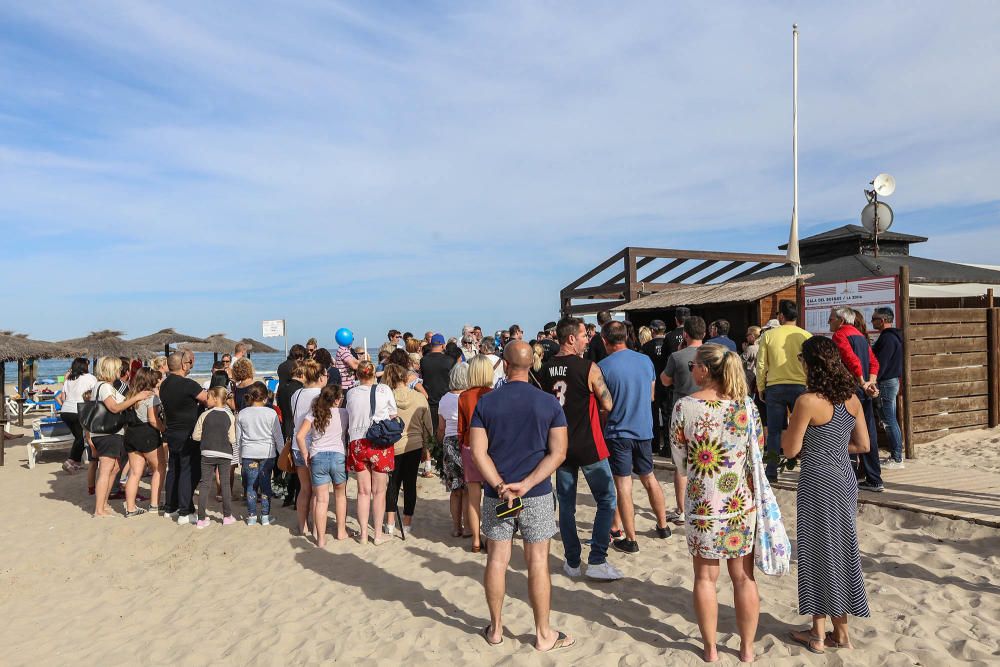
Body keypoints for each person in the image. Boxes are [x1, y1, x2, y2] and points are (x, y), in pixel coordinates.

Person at [468, 341, 573, 652]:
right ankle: (543, 634)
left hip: (498, 495)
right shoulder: (548, 403)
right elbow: (559, 453)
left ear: (504, 362)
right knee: (538, 561)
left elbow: (478, 452)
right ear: (532, 365)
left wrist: (501, 485)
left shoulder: (487, 403)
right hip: (536, 493)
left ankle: (496, 629)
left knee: (497, 560)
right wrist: (526, 484)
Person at [670, 344, 761, 664]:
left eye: (694, 364)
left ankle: (710, 649)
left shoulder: (684, 407)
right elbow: (757, 451)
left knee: (705, 579)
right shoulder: (746, 406)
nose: (690, 369)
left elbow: (680, 463)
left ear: (706, 370)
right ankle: (747, 649)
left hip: (703, 504)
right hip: (740, 502)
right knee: (744, 578)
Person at [781, 336, 872, 654]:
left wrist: (791, 436)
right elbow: (863, 446)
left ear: (808, 364)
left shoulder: (807, 401)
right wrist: (832, 446)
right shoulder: (852, 398)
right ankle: (840, 631)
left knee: (816, 552)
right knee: (841, 550)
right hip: (845, 480)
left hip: (818, 481)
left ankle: (818, 634)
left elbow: (790, 450)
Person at [540, 317, 621, 579]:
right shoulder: (589, 367)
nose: (588, 339)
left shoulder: (546, 369)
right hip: (588, 443)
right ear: (571, 338)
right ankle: (597, 559)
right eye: (585, 335)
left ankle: (572, 561)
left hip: (560, 446)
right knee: (607, 499)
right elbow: (608, 404)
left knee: (566, 505)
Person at [600, 321, 670, 554]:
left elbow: (604, 405)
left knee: (623, 485)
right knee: (649, 477)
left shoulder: (602, 367)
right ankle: (663, 525)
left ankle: (630, 538)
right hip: (643, 428)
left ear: (605, 341)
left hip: (618, 430)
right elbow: (651, 396)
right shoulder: (645, 360)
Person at [755, 300, 812, 482]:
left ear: (781, 316)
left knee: (774, 431)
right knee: (804, 430)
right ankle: (805, 471)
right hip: (800, 387)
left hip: (775, 386)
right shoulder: (806, 335)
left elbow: (761, 364)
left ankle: (771, 471)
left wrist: (761, 387)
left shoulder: (769, 335)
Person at [90, 357, 153, 517]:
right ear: (111, 370)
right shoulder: (104, 387)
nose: (121, 371)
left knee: (115, 468)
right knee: (105, 470)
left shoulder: (107, 387)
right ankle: (99, 509)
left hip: (110, 433)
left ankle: (103, 504)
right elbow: (115, 408)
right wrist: (137, 398)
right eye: (118, 368)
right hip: (107, 433)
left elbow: (122, 402)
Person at [829, 306, 883, 492]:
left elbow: (850, 359)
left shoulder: (840, 335)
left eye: (831, 319)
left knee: (846, 434)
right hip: (864, 391)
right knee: (868, 433)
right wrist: (871, 382)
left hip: (850, 390)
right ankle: (874, 478)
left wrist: (861, 382)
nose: (829, 322)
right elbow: (874, 362)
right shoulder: (859, 335)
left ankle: (848, 479)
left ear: (841, 320)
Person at [346, 360, 398, 545]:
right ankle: (376, 534)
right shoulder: (384, 390)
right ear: (374, 373)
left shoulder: (351, 392)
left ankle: (362, 534)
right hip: (379, 441)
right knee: (379, 491)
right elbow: (393, 415)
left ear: (358, 375)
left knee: (362, 491)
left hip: (357, 442)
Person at [660, 315, 706, 525]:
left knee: (681, 462)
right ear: (704, 333)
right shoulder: (714, 354)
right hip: (709, 409)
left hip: (682, 409)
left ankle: (681, 509)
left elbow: (665, 380)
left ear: (685, 334)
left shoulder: (677, 357)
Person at [383, 363, 432, 537]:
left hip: (393, 445)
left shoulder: (386, 398)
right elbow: (428, 424)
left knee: (393, 484)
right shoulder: (419, 397)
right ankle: (407, 522)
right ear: (405, 378)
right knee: (410, 484)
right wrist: (428, 443)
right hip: (414, 443)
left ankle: (389, 523)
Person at [160, 352, 208, 524]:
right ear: (183, 364)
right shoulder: (188, 384)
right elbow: (208, 400)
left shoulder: (164, 385)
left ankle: (170, 507)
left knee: (174, 469)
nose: (191, 365)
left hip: (172, 431)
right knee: (188, 470)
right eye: (189, 362)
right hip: (187, 433)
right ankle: (185, 511)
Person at [300, 383, 349, 545]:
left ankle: (321, 539)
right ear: (336, 400)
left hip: (318, 456)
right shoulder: (343, 413)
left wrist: (306, 454)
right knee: (340, 496)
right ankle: (341, 531)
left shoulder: (314, 412)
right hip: (338, 456)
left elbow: (300, 436)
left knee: (321, 499)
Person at [458, 355, 494, 553]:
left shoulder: (464, 396)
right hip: (490, 447)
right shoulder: (494, 394)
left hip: (469, 445)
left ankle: (475, 540)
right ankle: (489, 537)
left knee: (473, 497)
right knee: (491, 495)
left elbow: (461, 427)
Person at [237, 382, 282, 526]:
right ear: (265, 398)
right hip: (267, 453)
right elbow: (278, 437)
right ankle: (265, 516)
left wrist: (239, 456)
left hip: (248, 452)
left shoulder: (242, 413)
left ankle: (251, 516)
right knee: (265, 484)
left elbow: (238, 438)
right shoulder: (271, 413)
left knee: (250, 485)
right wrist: (282, 454)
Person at [192, 386, 237, 528]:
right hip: (224, 453)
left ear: (216, 399)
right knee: (225, 484)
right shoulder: (230, 416)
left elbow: (196, 436)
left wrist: (208, 438)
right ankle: (227, 516)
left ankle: (201, 519)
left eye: (209, 397)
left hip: (206, 452)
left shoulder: (204, 415)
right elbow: (232, 438)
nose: (207, 399)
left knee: (205, 484)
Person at [291, 360, 327, 536]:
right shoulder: (321, 395)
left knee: (304, 488)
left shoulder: (296, 394)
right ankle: (314, 527)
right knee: (316, 490)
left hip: (297, 445)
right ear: (320, 377)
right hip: (314, 444)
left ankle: (302, 525)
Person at [123, 368, 166, 516]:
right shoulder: (151, 397)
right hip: (147, 434)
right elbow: (153, 420)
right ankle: (154, 504)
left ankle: (130, 508)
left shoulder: (130, 395)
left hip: (131, 434)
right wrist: (164, 429)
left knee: (134, 473)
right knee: (159, 468)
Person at [439, 362, 470, 537]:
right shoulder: (469, 397)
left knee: (455, 489)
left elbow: (441, 427)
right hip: (465, 441)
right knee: (467, 488)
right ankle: (467, 526)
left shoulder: (444, 399)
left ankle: (456, 527)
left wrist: (438, 442)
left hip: (449, 442)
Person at [871, 307, 904, 468]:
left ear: (883, 320)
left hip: (886, 382)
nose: (872, 321)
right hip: (891, 381)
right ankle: (896, 456)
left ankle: (897, 457)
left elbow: (881, 364)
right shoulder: (891, 337)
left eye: (874, 318)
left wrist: (873, 380)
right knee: (890, 419)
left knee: (888, 420)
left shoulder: (887, 339)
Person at [59, 358, 98, 473]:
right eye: (87, 364)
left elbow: (63, 398)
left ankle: (76, 463)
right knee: (81, 438)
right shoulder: (90, 378)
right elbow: (96, 392)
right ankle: (69, 462)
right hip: (78, 411)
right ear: (84, 366)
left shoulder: (69, 379)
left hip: (65, 411)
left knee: (78, 437)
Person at [640, 320, 670, 455]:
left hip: (651, 384)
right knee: (667, 414)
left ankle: (655, 445)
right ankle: (668, 446)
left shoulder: (646, 347)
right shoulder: (668, 344)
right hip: (667, 383)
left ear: (652, 331)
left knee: (653, 416)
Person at [420, 333, 455, 433]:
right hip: (446, 399)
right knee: (446, 430)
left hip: (430, 400)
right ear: (443, 345)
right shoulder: (449, 360)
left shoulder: (423, 360)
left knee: (433, 430)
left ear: (431, 345)